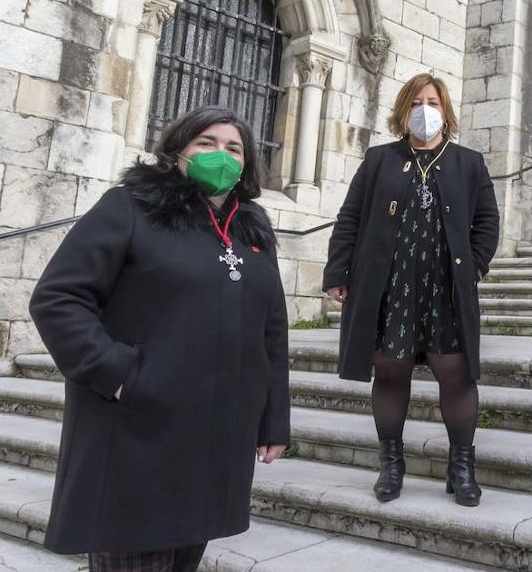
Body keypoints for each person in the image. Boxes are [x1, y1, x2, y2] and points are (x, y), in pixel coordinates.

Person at [29, 106, 291, 572]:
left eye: (234, 148)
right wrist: (121, 374)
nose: (222, 155)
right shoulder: (129, 207)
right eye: (206, 143)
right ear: (178, 151)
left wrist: (272, 417)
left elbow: (271, 327)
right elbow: (59, 298)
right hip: (138, 428)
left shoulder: (253, 229)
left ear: (248, 163)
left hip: (216, 435)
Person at [323, 73, 500, 507]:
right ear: (404, 110)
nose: (427, 109)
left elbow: (487, 223)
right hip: (389, 285)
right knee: (390, 373)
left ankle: (461, 468)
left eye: (434, 102)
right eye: (418, 101)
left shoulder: (469, 162)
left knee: (455, 375)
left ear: (446, 111)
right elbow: (349, 218)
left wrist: (472, 268)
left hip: (446, 290)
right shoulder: (379, 159)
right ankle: (391, 465)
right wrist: (338, 272)